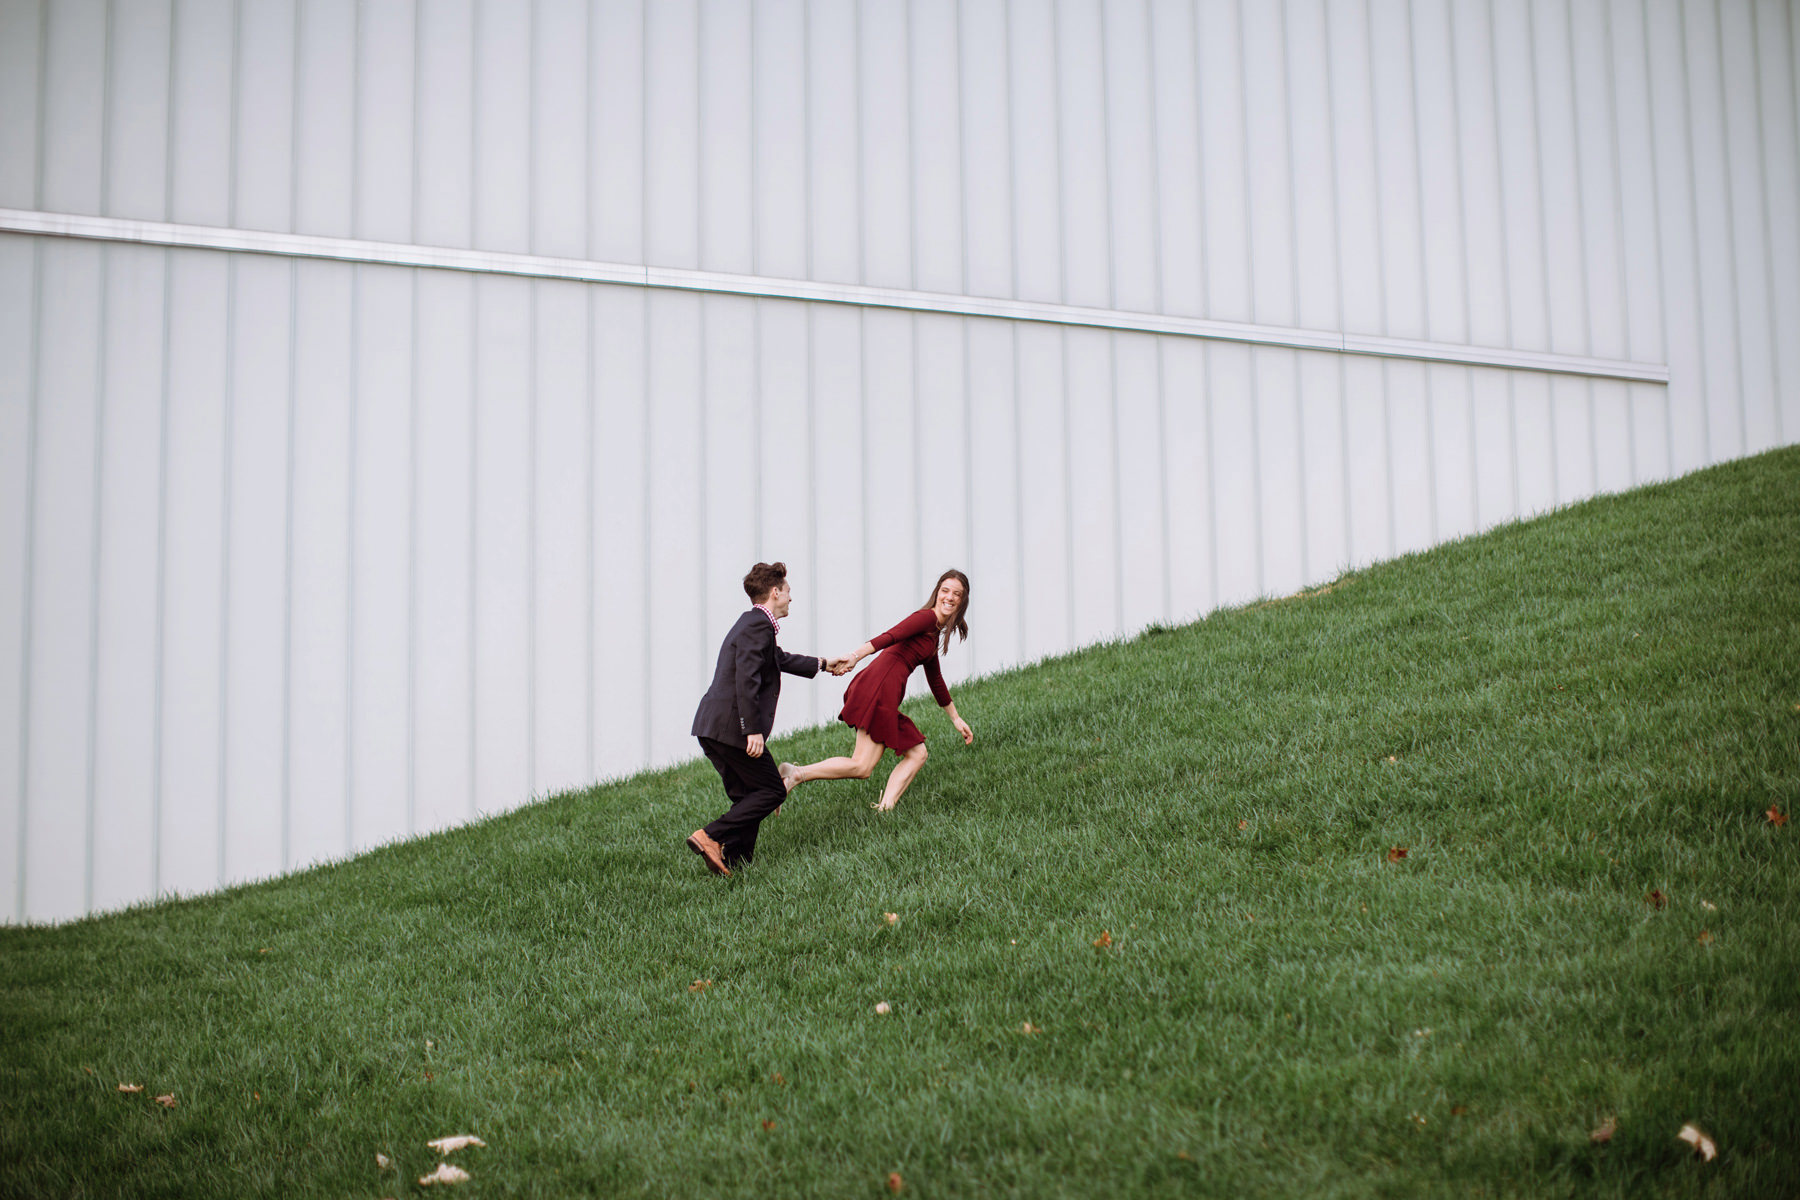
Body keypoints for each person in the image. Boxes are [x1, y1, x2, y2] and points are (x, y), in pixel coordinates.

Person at [687, 562, 847, 876]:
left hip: (713, 727)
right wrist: (752, 729)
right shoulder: (758, 625)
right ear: (775, 592)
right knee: (773, 790)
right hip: (733, 728)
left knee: (748, 797)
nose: (790, 598)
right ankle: (710, 835)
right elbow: (746, 678)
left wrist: (826, 663)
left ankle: (735, 865)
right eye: (788, 592)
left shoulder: (753, 624)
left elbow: (778, 659)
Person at [780, 569, 974, 812]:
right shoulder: (925, 618)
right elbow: (891, 635)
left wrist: (956, 718)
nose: (949, 597)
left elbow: (936, 680)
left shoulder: (933, 633)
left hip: (883, 690)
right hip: (879, 688)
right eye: (945, 591)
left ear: (962, 601)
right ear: (937, 593)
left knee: (916, 753)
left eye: (957, 594)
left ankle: (886, 810)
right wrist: (855, 656)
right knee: (861, 765)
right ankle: (796, 774)